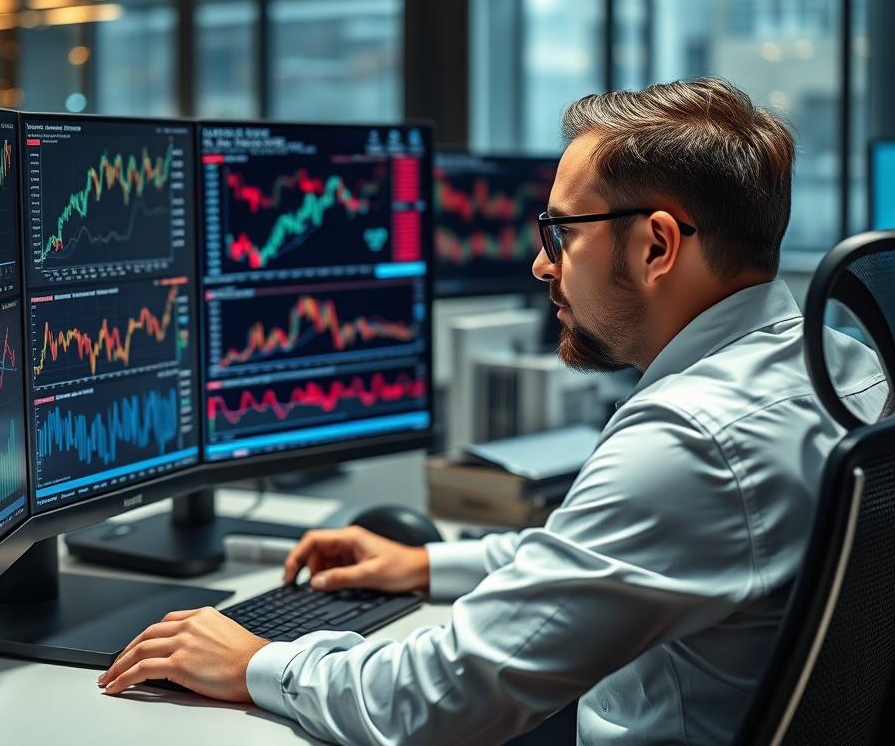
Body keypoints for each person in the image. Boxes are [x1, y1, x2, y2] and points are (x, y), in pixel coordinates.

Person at [97, 78, 888, 744]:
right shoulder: (845, 365)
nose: (541, 262)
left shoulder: (688, 442)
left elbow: (440, 700)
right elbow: (605, 557)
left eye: (561, 232)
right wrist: (424, 565)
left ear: (656, 247)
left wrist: (255, 663)